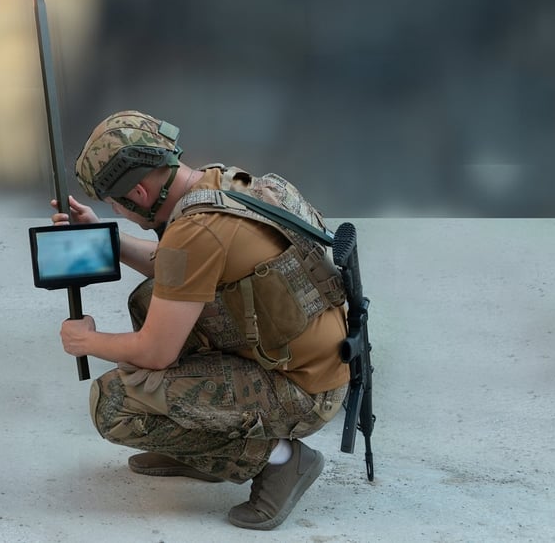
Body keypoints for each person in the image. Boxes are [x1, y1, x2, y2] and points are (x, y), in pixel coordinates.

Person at [51, 110, 349, 530]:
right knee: (149, 300)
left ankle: (282, 459)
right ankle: (201, 446)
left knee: (113, 404)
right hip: (315, 358)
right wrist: (107, 239)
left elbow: (155, 351)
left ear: (138, 192)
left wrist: (86, 340)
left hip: (303, 393)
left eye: (117, 206)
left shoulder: (195, 231)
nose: (119, 212)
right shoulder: (220, 184)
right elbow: (175, 264)